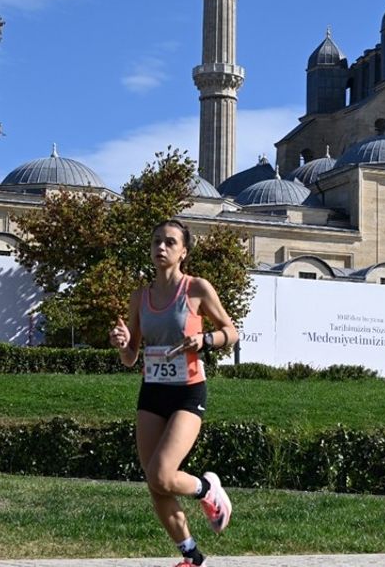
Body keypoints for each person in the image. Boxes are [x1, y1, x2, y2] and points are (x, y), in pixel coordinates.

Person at [109, 219, 238, 567]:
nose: (161, 248)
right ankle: (192, 558)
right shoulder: (140, 297)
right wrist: (122, 343)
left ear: (183, 252)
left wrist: (205, 340)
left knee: (163, 474)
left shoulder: (196, 289)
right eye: (156, 241)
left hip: (187, 392)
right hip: (152, 392)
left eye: (169, 242)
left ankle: (208, 490)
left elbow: (231, 332)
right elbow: (130, 357)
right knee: (155, 484)